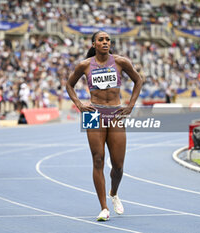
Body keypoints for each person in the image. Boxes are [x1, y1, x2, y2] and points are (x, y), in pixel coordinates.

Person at [66, 31, 143, 221]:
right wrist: (80, 104)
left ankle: (114, 193)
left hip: (115, 113)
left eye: (108, 39)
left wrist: (131, 105)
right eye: (101, 40)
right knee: (98, 159)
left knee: (118, 166)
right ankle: (104, 208)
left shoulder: (120, 62)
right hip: (93, 114)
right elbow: (69, 85)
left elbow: (138, 80)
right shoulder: (84, 65)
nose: (105, 42)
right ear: (94, 44)